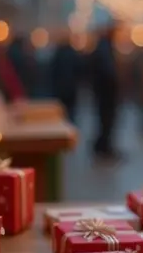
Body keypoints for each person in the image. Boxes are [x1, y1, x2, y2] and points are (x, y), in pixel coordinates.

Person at [89, 24, 121, 160]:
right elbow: (108, 73)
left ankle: (102, 147)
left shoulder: (102, 47)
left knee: (105, 121)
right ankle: (103, 148)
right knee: (106, 121)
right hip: (106, 93)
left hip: (103, 92)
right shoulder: (104, 49)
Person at [49, 32, 82, 123]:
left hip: (59, 88)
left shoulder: (58, 53)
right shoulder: (73, 53)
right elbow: (79, 70)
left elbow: (53, 71)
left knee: (60, 111)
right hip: (71, 87)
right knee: (71, 112)